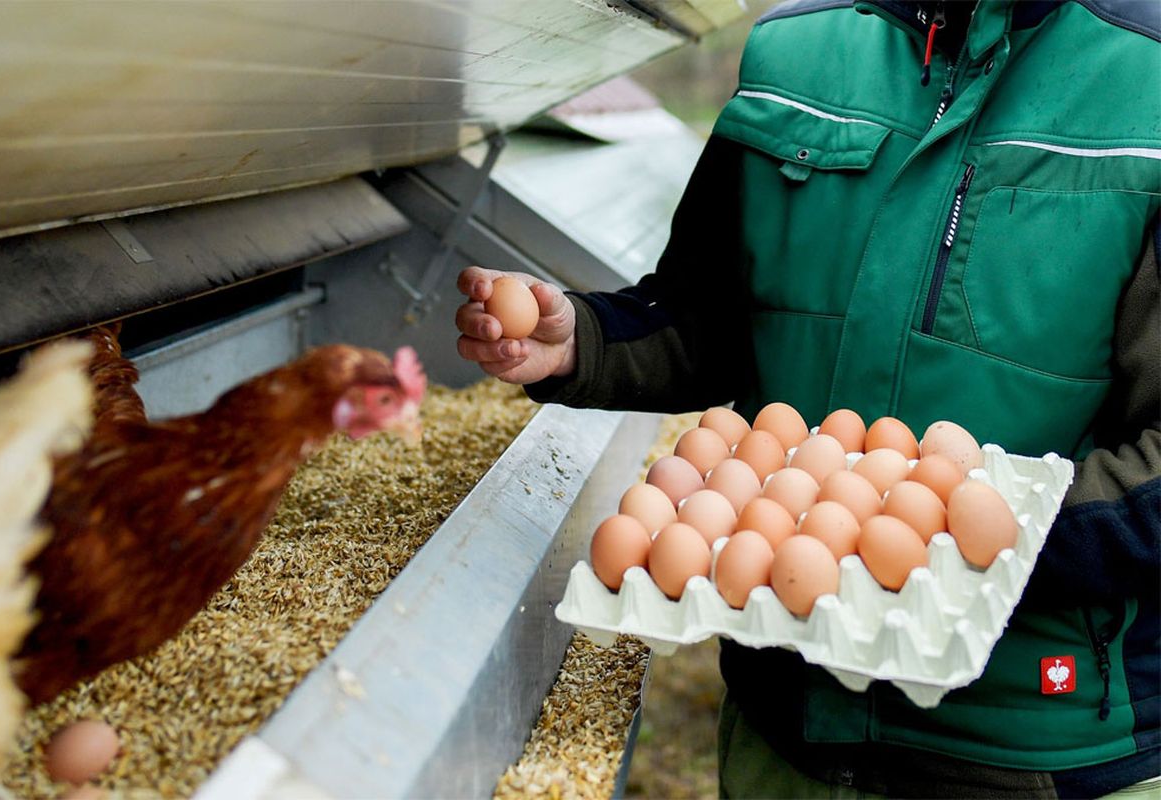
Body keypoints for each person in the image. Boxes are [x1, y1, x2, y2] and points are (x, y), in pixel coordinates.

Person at [455, 0, 1159, 796]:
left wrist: (970, 546)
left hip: (1038, 744)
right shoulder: (795, 54)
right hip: (786, 731)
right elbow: (706, 314)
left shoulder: (1146, 80)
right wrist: (581, 339)